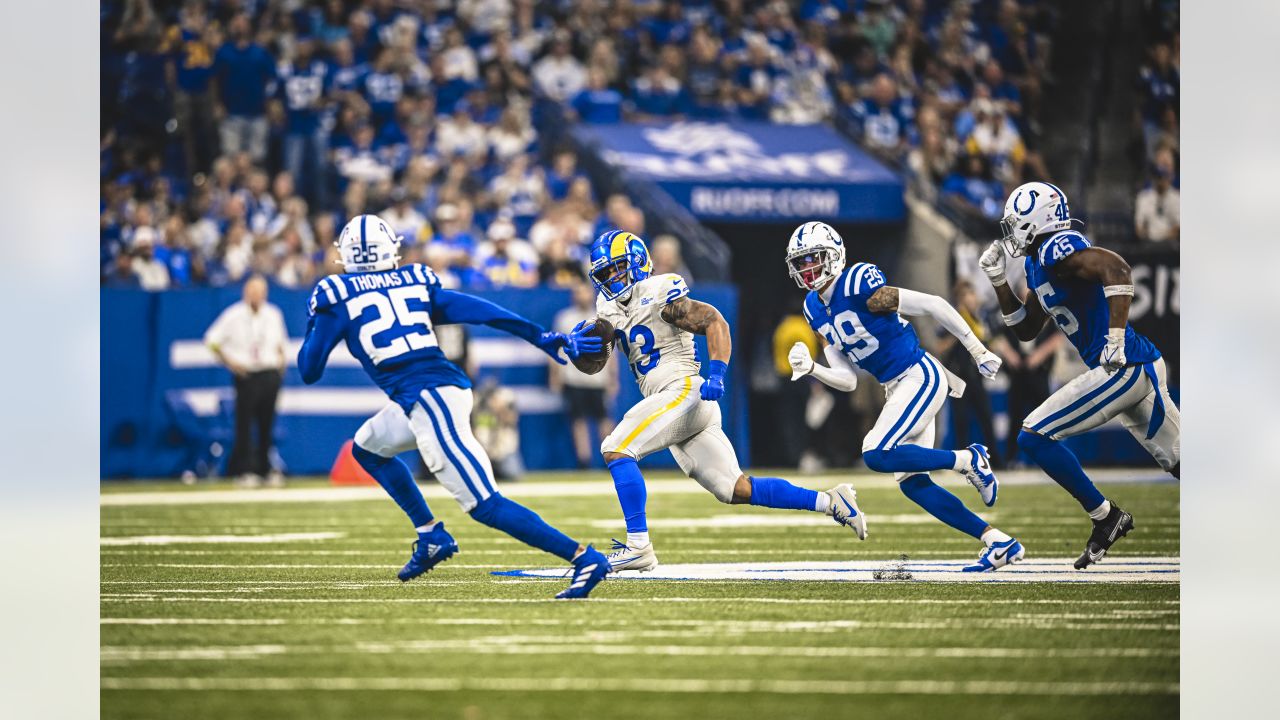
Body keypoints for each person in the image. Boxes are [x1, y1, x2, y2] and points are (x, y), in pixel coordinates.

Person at [297, 214, 610, 599]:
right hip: (431, 394)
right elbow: (479, 310)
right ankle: (430, 534)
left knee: (486, 506)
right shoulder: (413, 280)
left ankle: (583, 558)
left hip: (430, 399)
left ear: (345, 255)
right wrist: (538, 336)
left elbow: (309, 369)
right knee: (368, 448)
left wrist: (317, 323)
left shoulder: (336, 296)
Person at [588, 231, 867, 574]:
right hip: (675, 404)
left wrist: (718, 373)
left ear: (637, 262)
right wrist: (579, 349)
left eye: (617, 269)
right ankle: (831, 501)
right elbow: (595, 362)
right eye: (605, 274)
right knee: (736, 488)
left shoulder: (660, 290)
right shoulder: (607, 307)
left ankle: (638, 546)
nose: (612, 279)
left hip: (683, 391)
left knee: (616, 447)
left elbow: (714, 321)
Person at [784, 221, 1024, 573]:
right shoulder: (813, 308)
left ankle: (968, 460)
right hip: (895, 386)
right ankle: (997, 541)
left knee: (875, 451)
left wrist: (977, 349)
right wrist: (812, 370)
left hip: (918, 374)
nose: (808, 269)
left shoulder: (858, 282)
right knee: (912, 483)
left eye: (814, 258)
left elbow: (934, 304)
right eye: (801, 262)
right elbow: (849, 380)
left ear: (835, 255)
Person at [977, 181, 1181, 569]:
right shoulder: (1038, 261)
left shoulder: (1058, 245)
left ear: (1036, 222)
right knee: (1180, 460)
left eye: (1016, 224)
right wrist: (999, 280)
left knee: (1033, 435)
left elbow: (1117, 268)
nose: (1010, 234)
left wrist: (1116, 338)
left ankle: (1105, 517)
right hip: (1133, 367)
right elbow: (1026, 329)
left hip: (1124, 366)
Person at [203, 275, 288, 487]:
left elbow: (280, 344)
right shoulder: (234, 315)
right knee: (245, 424)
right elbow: (211, 340)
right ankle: (245, 470)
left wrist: (280, 367)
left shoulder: (273, 313)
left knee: (267, 424)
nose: (257, 295)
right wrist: (231, 363)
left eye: (260, 291)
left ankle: (265, 469)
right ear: (245, 292)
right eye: (253, 290)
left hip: (269, 373)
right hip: (247, 374)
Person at [551, 282, 616, 469]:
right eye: (578, 292)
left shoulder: (601, 318)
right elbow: (557, 348)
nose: (582, 296)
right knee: (578, 421)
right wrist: (555, 374)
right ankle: (584, 460)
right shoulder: (565, 318)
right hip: (573, 378)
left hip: (598, 378)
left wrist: (613, 377)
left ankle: (610, 455)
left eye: (584, 292)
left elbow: (611, 352)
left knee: (604, 419)